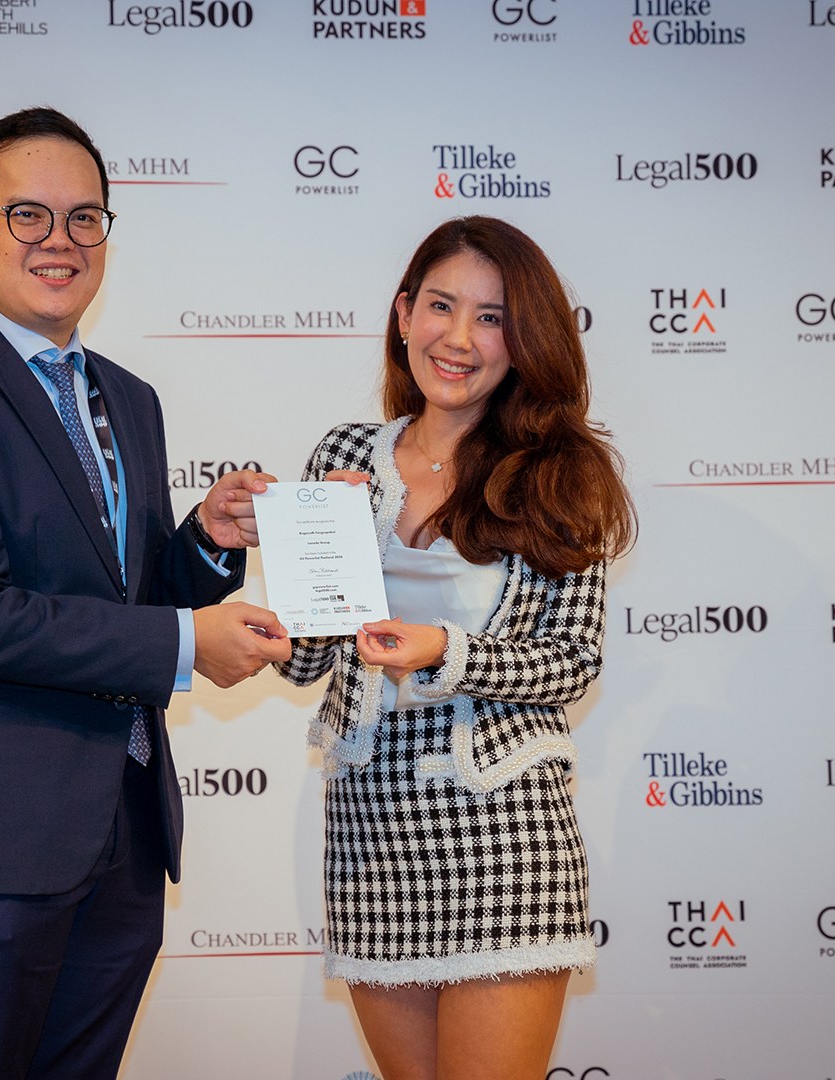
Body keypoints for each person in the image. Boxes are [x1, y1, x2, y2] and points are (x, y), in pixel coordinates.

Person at [0, 107, 291, 1080]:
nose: (60, 240)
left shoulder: (128, 397)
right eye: (28, 215)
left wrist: (206, 540)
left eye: (85, 217)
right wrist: (187, 644)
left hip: (123, 828)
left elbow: (128, 596)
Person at [276, 216, 635, 1079]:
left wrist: (446, 649)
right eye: (441, 306)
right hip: (371, 830)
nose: (459, 338)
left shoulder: (558, 471)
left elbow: (573, 662)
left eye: (491, 317)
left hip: (504, 831)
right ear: (404, 314)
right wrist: (314, 546)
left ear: (524, 339)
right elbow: (305, 661)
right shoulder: (343, 454)